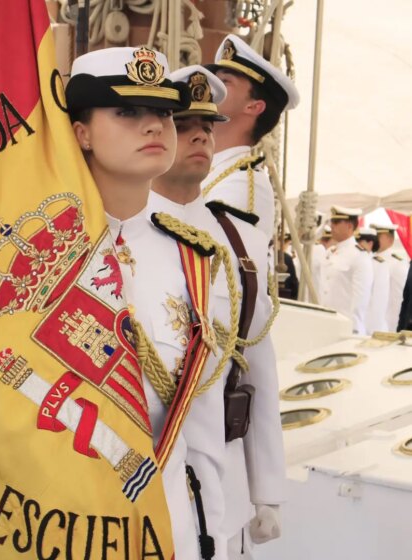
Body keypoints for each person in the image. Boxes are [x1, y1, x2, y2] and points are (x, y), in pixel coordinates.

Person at [66, 47, 228, 560]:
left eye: (162, 112)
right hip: (60, 523)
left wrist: (213, 537)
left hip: (167, 528)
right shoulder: (43, 255)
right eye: (128, 112)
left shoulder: (193, 258)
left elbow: (200, 429)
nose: (154, 125)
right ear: (81, 133)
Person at [150, 65, 286, 559]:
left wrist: (266, 486)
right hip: (137, 474)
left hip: (221, 483)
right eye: (183, 126)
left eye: (207, 126)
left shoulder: (239, 240)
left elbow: (257, 366)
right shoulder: (115, 233)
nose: (200, 138)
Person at [202, 34, 300, 241]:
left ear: (254, 106)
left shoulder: (245, 183)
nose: (210, 88)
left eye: (224, 81)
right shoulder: (208, 168)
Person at [319, 206, 373, 333]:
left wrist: (353, 328)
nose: (332, 225)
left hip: (345, 327)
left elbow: (360, 298)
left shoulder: (359, 256)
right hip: (325, 323)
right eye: (332, 222)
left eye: (337, 222)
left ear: (349, 225)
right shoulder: (330, 252)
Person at [373, 223, 408, 330]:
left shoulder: (397, 263)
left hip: (386, 323)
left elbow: (399, 297)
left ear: (390, 239)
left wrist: (393, 325)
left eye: (378, 237)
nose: (374, 240)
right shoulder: (368, 258)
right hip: (370, 320)